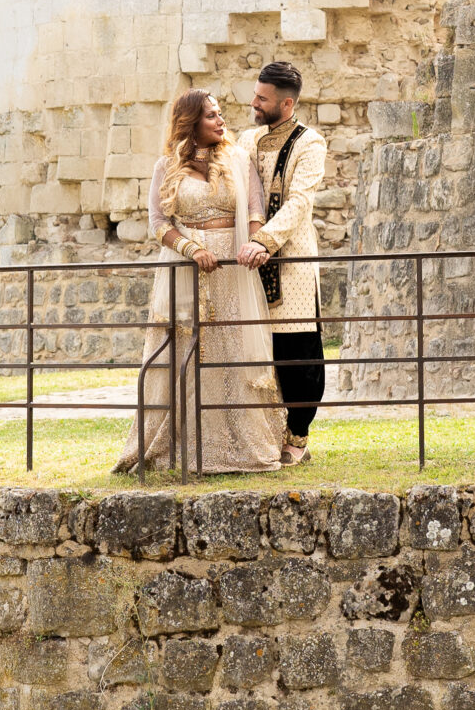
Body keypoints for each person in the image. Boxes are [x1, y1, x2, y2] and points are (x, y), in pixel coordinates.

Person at [113, 89, 285, 477]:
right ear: (191, 122)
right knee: (188, 351)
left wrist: (255, 243)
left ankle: (244, 447)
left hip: (234, 268)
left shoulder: (239, 160)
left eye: (220, 113)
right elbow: (159, 224)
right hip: (187, 269)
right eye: (211, 115)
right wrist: (191, 248)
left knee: (234, 348)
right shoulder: (166, 167)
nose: (221, 121)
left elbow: (255, 209)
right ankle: (183, 445)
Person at [235, 59, 328, 467]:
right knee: (255, 350)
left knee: (297, 350)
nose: (254, 103)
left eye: (262, 99)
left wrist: (266, 241)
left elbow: (300, 201)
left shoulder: (310, 143)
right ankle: (262, 436)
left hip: (291, 262)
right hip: (249, 263)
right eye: (255, 95)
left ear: (286, 104)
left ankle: (298, 435)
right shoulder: (247, 141)